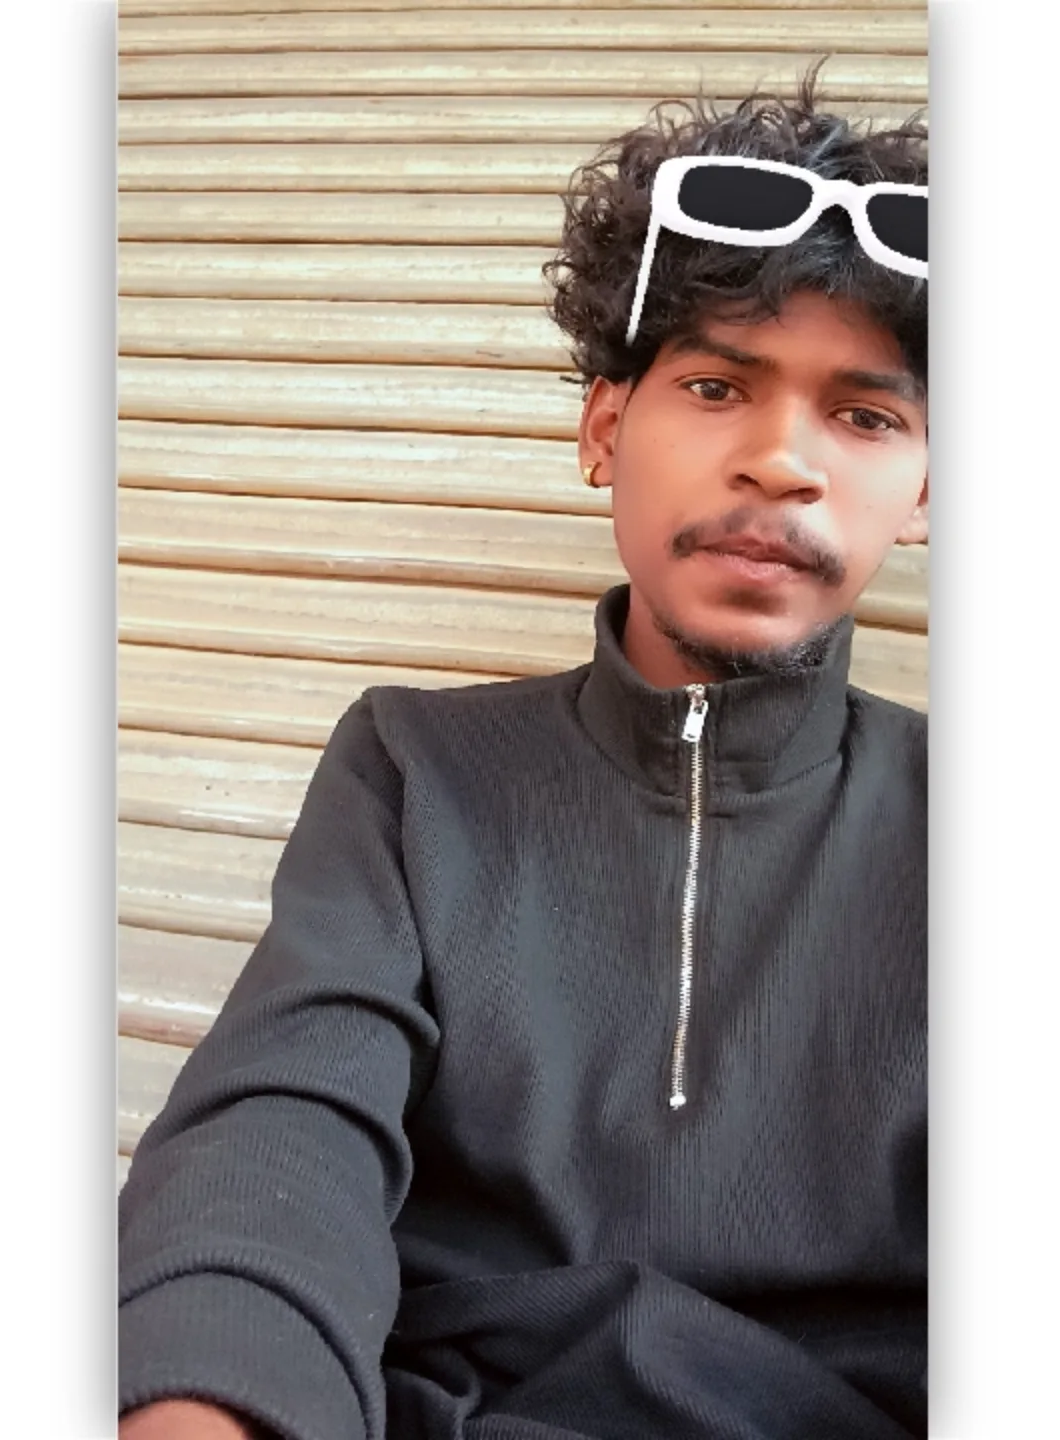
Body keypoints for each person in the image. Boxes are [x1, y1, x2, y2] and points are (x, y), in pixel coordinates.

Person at [119, 69, 928, 1440]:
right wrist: (211, 1402)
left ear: (925, 488)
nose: (784, 460)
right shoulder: (413, 770)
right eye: (716, 384)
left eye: (865, 416)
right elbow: (279, 1137)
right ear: (605, 430)